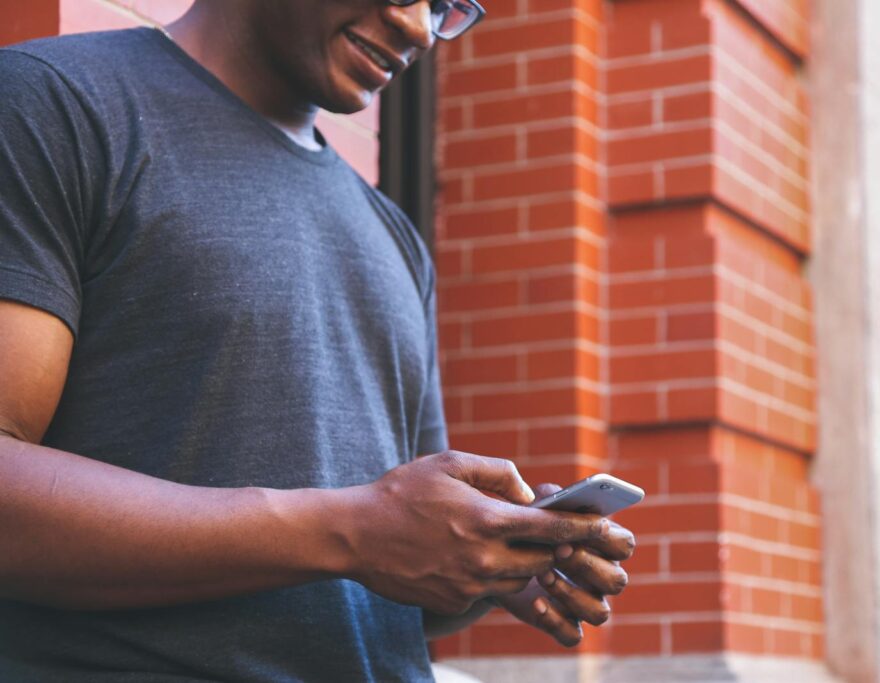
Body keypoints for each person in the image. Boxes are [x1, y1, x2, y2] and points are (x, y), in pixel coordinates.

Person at [0, 1, 636, 681]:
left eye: (447, 6)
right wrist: (351, 530)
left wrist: (487, 563)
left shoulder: (392, 235)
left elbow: (379, 563)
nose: (421, 28)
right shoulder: (51, 104)